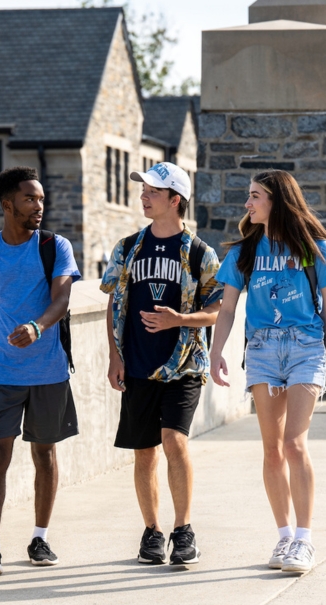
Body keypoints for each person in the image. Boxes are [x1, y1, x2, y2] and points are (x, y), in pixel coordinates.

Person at [208, 169, 326, 575]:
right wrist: (217, 352)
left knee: (294, 444)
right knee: (272, 448)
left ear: (276, 200)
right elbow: (227, 310)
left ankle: (305, 541)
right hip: (262, 350)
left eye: (255, 196)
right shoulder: (243, 253)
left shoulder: (315, 248)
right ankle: (284, 536)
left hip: (306, 348)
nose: (247, 203)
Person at [0, 167, 82, 576]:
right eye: (30, 199)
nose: (39, 206)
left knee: (44, 453)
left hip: (48, 370)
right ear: (7, 204)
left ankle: (40, 537)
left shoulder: (55, 246)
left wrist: (37, 326)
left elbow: (62, 298)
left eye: (41, 199)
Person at [100, 162, 222, 566]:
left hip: (183, 365)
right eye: (143, 188)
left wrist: (180, 320)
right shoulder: (127, 247)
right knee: (144, 452)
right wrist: (114, 355)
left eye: (152, 190)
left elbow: (218, 308)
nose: (143, 195)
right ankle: (152, 533)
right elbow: (114, 300)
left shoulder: (199, 252)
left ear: (175, 200)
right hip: (136, 364)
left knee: (174, 441)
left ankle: (183, 531)